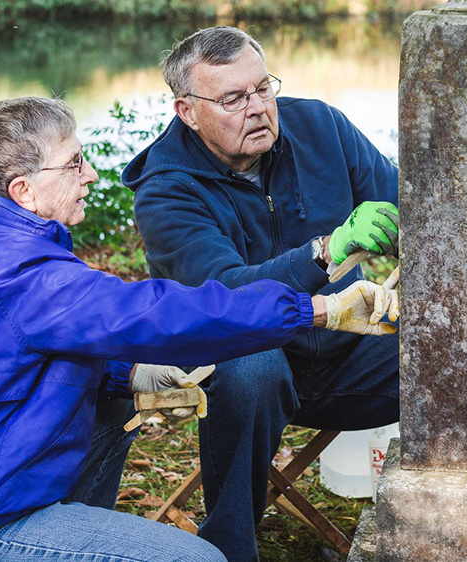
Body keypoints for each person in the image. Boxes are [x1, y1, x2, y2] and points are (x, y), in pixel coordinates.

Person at [0, 96, 399, 562]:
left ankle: (74, 527)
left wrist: (127, 376)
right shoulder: (17, 273)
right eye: (75, 163)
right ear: (25, 191)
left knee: (115, 406)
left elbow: (19, 355)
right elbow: (162, 314)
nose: (91, 176)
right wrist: (318, 312)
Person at [121, 27, 401, 562]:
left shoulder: (320, 126)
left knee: (455, 352)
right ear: (187, 111)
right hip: (243, 369)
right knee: (251, 365)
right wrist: (326, 252)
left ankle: (442, 516)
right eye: (232, 99)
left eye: (263, 88)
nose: (257, 108)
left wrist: (402, 226)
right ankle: (228, 547)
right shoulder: (165, 191)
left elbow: (407, 205)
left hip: (348, 348)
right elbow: (226, 296)